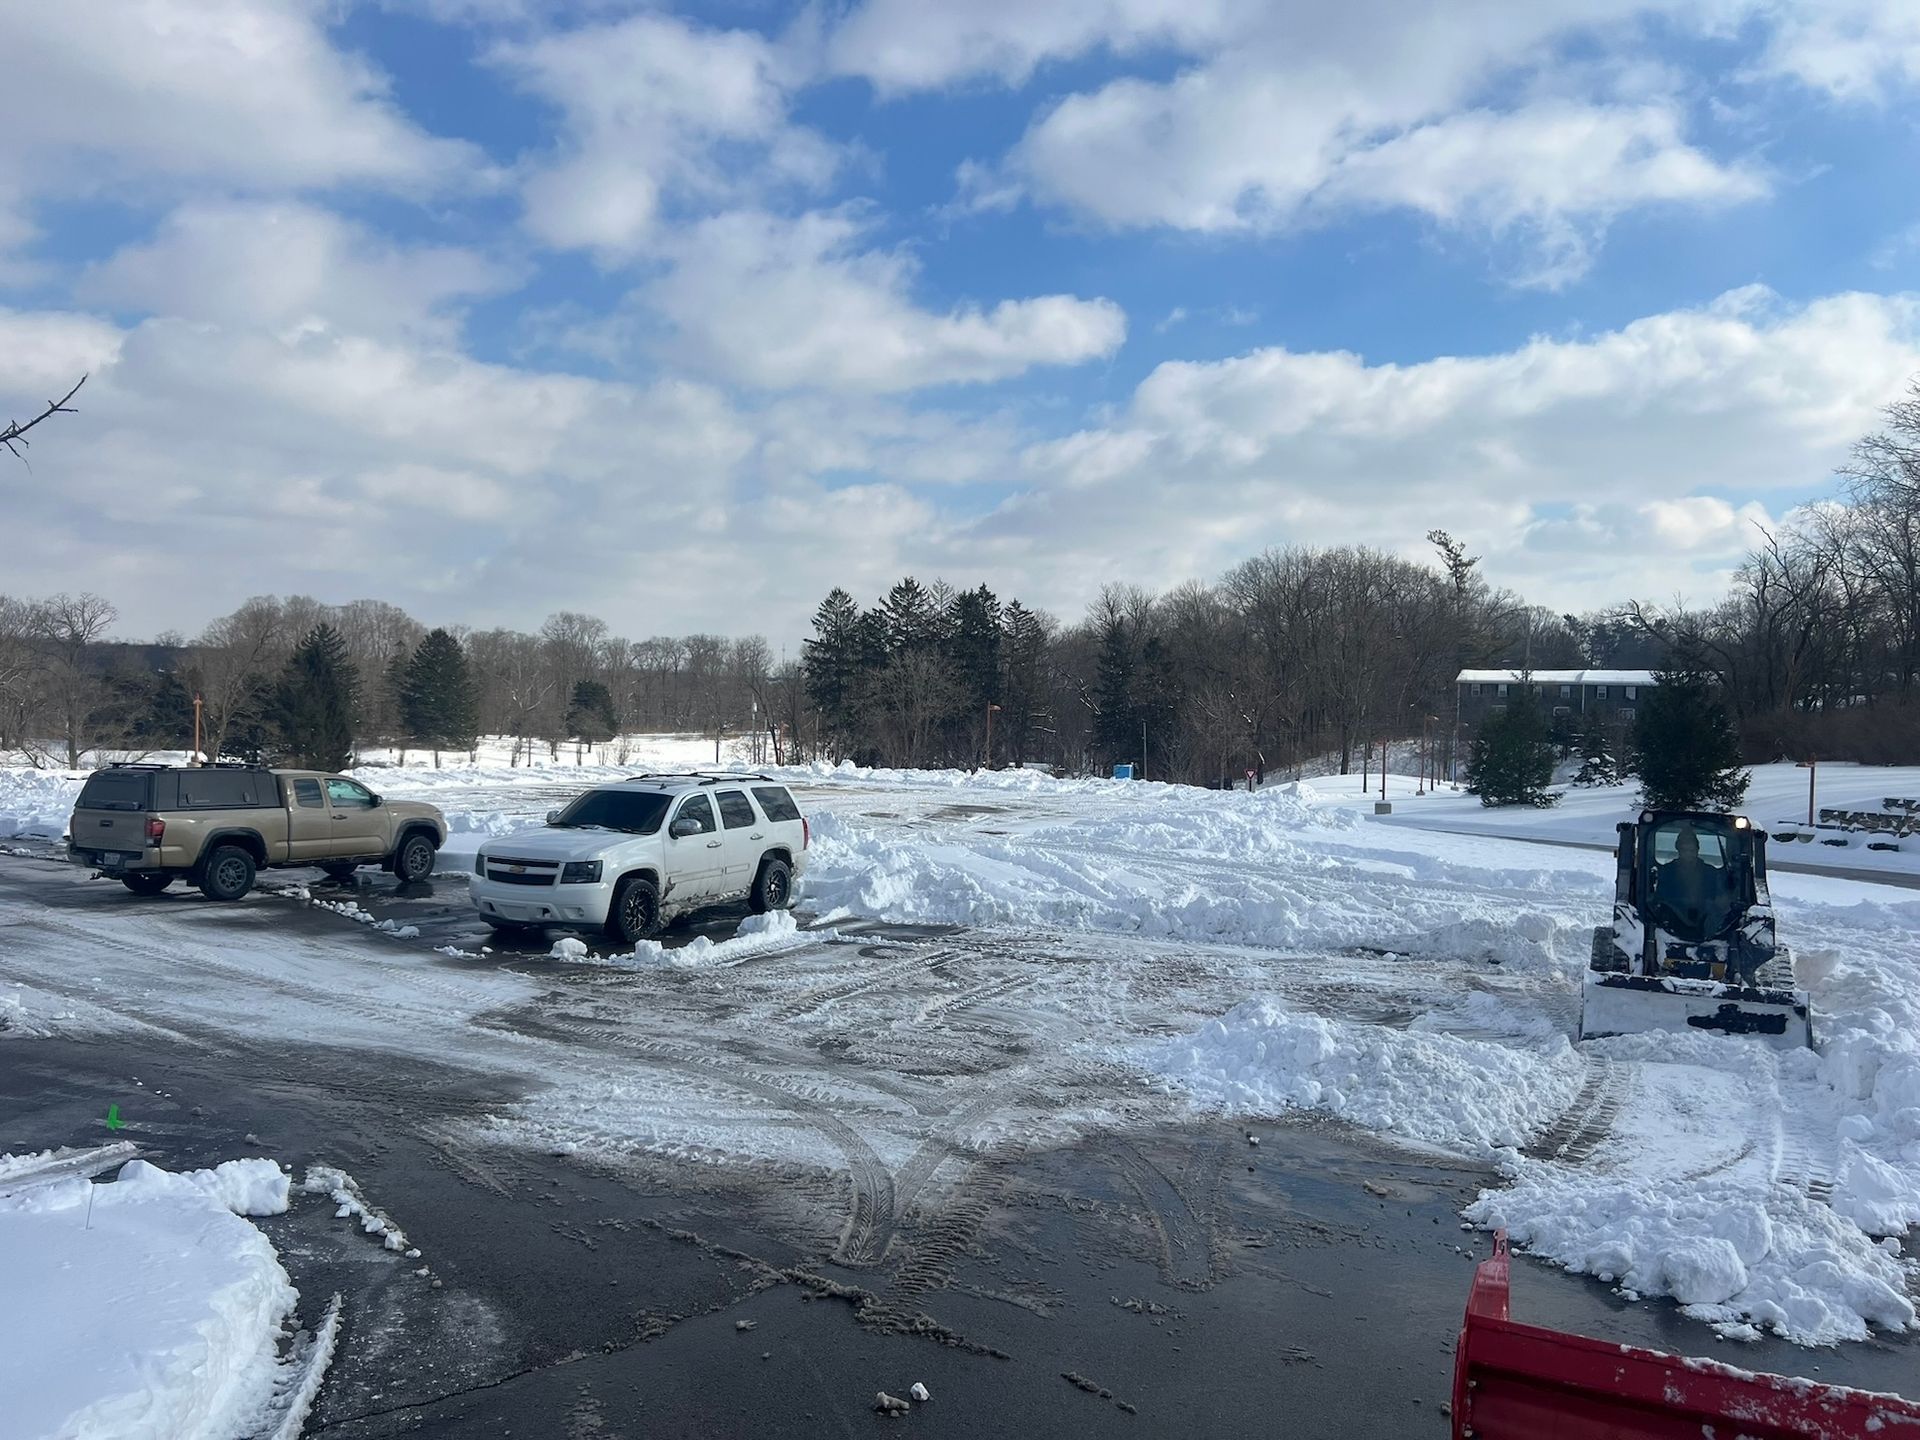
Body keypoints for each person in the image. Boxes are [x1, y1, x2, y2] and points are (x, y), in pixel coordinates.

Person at [1654, 823, 1733, 939]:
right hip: (1671, 922)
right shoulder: (1666, 871)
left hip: (1708, 924)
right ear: (1678, 850)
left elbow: (1720, 897)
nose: (1688, 854)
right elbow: (1659, 897)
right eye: (1684, 850)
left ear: (1697, 850)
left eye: (1691, 850)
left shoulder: (1711, 872)